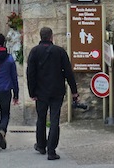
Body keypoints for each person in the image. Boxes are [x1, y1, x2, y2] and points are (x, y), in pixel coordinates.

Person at [27, 26, 79, 161]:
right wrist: (74, 91)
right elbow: (68, 73)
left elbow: (30, 74)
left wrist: (31, 92)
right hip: (57, 91)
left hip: (40, 91)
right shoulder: (60, 52)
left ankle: (41, 145)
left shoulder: (34, 51)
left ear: (41, 36)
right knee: (54, 120)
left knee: (41, 118)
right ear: (51, 37)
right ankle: (51, 150)